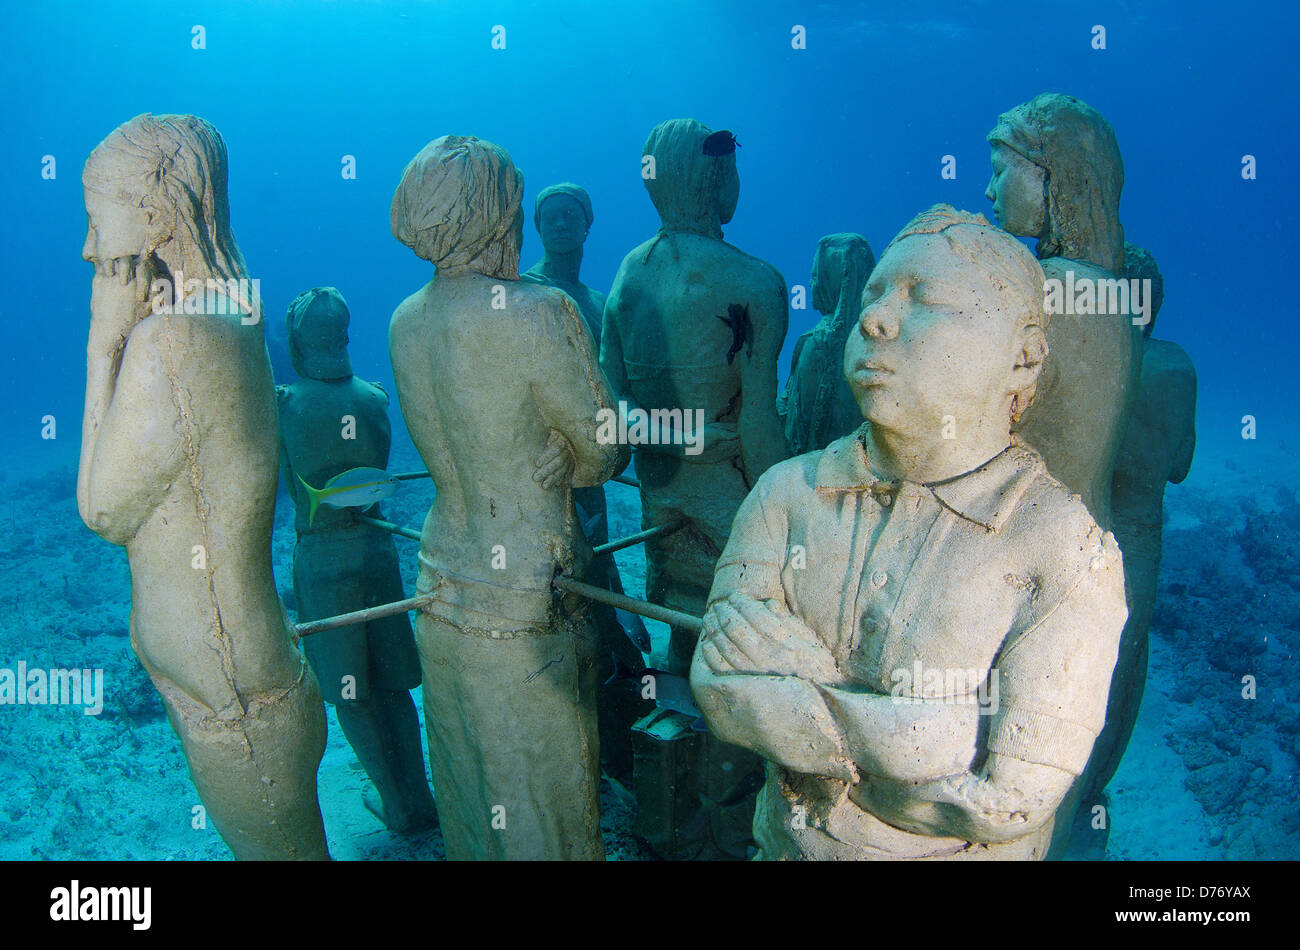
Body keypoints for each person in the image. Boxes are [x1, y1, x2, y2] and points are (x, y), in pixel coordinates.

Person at [690, 205, 1128, 860]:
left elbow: (1008, 803)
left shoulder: (1064, 549)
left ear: (1024, 352)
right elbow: (720, 696)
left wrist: (797, 695)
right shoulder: (785, 494)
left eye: (926, 299)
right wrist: (919, 734)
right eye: (874, 294)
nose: (874, 319)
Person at [79, 114, 329, 860]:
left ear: (154, 215)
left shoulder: (168, 342)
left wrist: (103, 346)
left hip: (234, 699)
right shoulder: (234, 308)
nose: (88, 247)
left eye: (97, 223)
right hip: (241, 682)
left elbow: (101, 510)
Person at [389, 135, 624, 860]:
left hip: (441, 585)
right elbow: (606, 452)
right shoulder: (539, 312)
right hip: (529, 590)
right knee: (548, 809)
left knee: (473, 792)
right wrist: (567, 449)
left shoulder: (404, 321)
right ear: (499, 213)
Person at [600, 118, 788, 858]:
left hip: (660, 501)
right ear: (710, 178)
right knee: (738, 660)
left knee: (677, 651)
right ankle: (732, 828)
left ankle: (670, 820)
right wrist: (794, 513)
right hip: (731, 505)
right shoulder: (755, 282)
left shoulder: (626, 275)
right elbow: (764, 429)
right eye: (731, 170)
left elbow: (612, 407)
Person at [277, 286, 437, 834]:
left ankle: (396, 803)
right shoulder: (373, 398)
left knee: (351, 690)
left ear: (296, 342)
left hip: (322, 559)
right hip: (376, 551)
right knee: (391, 681)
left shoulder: (285, 404)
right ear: (345, 335)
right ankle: (418, 796)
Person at [521, 182, 650, 784]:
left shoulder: (600, 302)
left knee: (599, 577)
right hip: (543, 473)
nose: (562, 224)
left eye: (573, 213)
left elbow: (615, 389)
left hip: (594, 474)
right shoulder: (523, 292)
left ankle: (616, 729)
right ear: (537, 226)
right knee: (555, 587)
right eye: (551, 216)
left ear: (588, 223)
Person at [1073, 244, 1196, 853]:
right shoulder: (1173, 369)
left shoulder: (1091, 362)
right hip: (1139, 551)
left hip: (1084, 541)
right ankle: (1091, 795)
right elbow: (1180, 465)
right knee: (1124, 673)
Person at [985, 92, 1143, 530]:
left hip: (1030, 537)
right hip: (1089, 529)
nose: (989, 189)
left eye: (1001, 172)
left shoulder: (1047, 287)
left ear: (1054, 176)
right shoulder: (1116, 291)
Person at [778, 233, 876, 455]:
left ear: (833, 281)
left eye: (816, 276)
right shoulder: (876, 344)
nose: (810, 283)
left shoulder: (815, 344)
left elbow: (797, 426)